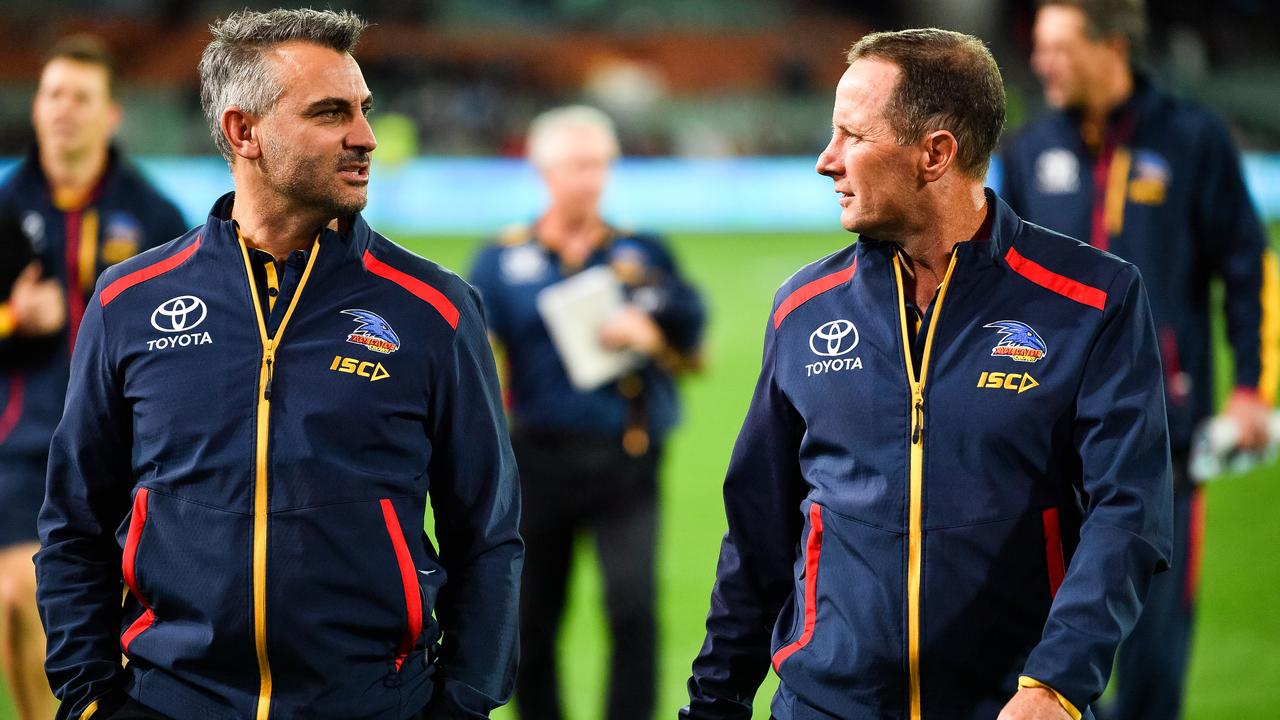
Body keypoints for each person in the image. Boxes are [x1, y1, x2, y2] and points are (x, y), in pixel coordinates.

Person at [34, 9, 522, 720]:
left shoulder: (436, 310)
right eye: (330, 113)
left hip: (373, 704)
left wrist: (461, 706)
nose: (366, 136)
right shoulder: (130, 302)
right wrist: (90, 698)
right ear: (244, 132)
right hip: (168, 703)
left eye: (363, 109)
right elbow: (75, 523)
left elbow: (489, 536)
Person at [683, 28, 1173, 720]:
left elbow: (1129, 512)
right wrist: (714, 704)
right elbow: (756, 535)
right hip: (824, 708)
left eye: (852, 136)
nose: (827, 162)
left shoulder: (1093, 301)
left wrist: (1056, 683)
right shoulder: (802, 308)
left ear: (935, 154)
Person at [1001, 2, 1279, 717]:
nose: (1042, 64)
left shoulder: (1194, 140)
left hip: (1165, 446)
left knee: (1153, 670)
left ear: (1113, 45)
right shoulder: (1029, 150)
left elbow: (1249, 270)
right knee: (1041, 672)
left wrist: (1252, 389)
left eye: (1058, 47)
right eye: (1039, 48)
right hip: (1046, 448)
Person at [469, 106, 705, 720]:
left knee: (632, 608)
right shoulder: (499, 262)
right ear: (542, 169)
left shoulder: (644, 253)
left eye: (599, 164)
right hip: (536, 460)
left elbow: (696, 357)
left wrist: (651, 338)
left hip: (627, 455)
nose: (589, 179)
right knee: (532, 615)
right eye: (576, 165)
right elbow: (476, 367)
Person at [0, 35, 186, 719]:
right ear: (37, 107)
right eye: (53, 94)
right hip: (21, 446)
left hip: (126, 450)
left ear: (111, 115)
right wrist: (11, 317)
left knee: (98, 621)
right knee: (21, 599)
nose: (63, 111)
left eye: (82, 98)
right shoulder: (2, 207)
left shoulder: (157, 217)